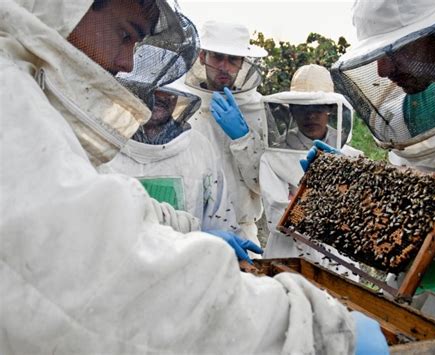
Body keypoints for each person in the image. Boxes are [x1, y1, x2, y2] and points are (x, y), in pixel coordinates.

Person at [0, 0, 389, 353]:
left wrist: (189, 223)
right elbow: (109, 268)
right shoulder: (11, 100)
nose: (127, 64)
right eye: (126, 35)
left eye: (233, 60)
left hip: (231, 233)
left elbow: (88, 214)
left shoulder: (19, 91)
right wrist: (319, 335)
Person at [309, 0, 435, 351]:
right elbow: (401, 206)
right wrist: (346, 186)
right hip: (421, 314)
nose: (382, 70)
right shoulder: (407, 112)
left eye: (393, 50)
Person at [102, 68, 241, 234]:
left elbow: (219, 214)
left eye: (168, 92)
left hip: (188, 257)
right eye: (152, 89)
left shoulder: (199, 147)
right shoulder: (104, 142)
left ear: (178, 97)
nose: (159, 96)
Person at [260, 64, 362, 278]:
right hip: (287, 258)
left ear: (330, 109)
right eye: (303, 108)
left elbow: (358, 217)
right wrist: (331, 202)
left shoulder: (352, 157)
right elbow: (278, 218)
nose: (311, 116)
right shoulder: (273, 156)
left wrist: (299, 200)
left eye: (318, 108)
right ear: (292, 111)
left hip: (338, 260)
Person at [177, 20, 268, 249]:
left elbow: (263, 184)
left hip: (242, 232)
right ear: (202, 56)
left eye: (233, 59)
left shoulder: (257, 109)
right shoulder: (179, 103)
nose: (224, 67)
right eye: (217, 56)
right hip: (187, 232)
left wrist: (243, 137)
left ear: (242, 63)